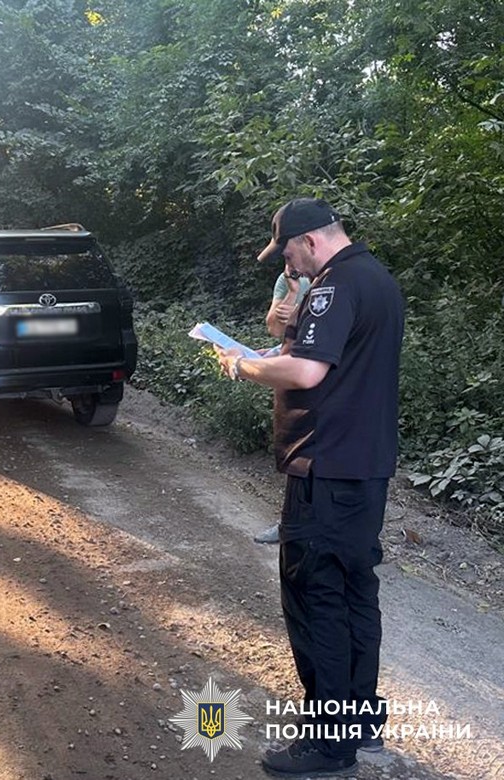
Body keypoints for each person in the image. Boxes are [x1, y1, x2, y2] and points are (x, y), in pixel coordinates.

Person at [216, 198, 404, 777]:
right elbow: (328, 359)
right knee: (354, 592)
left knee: (316, 598)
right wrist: (274, 351)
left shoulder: (333, 286)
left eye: (289, 253)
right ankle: (361, 721)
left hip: (324, 468)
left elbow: (306, 371)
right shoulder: (377, 279)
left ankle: (328, 745)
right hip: (365, 467)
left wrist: (241, 365)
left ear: (310, 240)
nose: (288, 265)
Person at [255, 267, 313, 545]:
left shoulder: (336, 280)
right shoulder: (289, 280)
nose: (288, 261)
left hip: (321, 379)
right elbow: (275, 329)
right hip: (294, 378)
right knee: (296, 451)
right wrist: (292, 292)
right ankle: (289, 525)